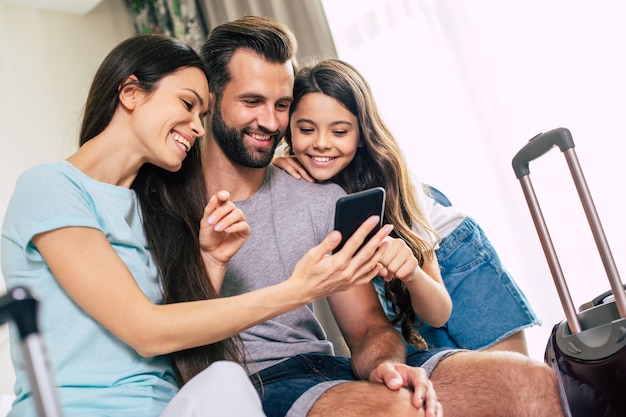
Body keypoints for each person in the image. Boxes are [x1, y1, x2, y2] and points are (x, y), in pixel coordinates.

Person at [193, 15, 565, 417]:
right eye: (252, 101)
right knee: (399, 409)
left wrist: (386, 364)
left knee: (531, 382)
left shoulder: (322, 198)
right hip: (267, 382)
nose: (269, 121)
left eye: (280, 105)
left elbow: (370, 325)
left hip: (437, 250)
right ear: (210, 97)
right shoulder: (165, 201)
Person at [0, 35, 387, 417]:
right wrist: (297, 290)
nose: (198, 128)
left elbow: (182, 333)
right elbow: (147, 331)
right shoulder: (51, 187)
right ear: (131, 93)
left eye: (203, 115)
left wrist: (211, 263)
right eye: (187, 105)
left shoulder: (148, 204)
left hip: (170, 406)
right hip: (80, 408)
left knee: (225, 380)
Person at [274, 58, 539, 354]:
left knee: (513, 376)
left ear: (362, 134)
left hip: (451, 258)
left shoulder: (392, 176)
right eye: (307, 130)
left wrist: (412, 273)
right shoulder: (292, 175)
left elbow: (439, 313)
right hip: (392, 285)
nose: (322, 143)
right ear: (289, 130)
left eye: (339, 132)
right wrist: (275, 167)